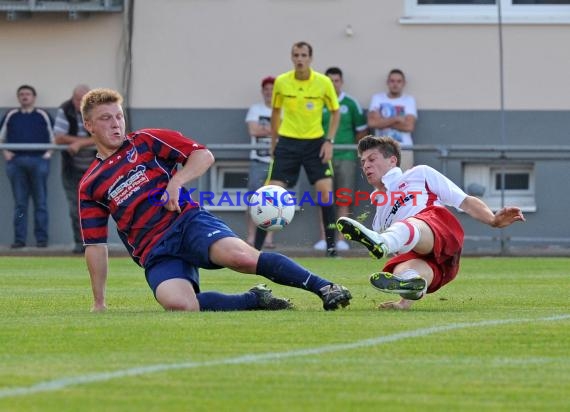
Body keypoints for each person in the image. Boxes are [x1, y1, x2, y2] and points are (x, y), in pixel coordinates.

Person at [78, 88, 352, 312]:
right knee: (180, 305)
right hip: (154, 251)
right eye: (105, 118)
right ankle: (254, 300)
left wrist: (177, 181)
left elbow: (203, 155)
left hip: (187, 223)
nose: (116, 123)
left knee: (240, 257)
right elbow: (95, 245)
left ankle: (325, 287)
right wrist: (99, 302)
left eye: (118, 116)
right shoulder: (90, 184)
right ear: (88, 125)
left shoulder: (146, 140)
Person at [336, 135, 525, 310]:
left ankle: (382, 243)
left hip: (440, 229)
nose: (366, 166)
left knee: (407, 226)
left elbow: (465, 201)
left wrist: (492, 219)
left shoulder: (419, 174)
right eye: (362, 162)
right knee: (402, 269)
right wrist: (403, 304)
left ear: (392, 160)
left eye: (372, 159)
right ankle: (411, 288)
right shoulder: (379, 216)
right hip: (438, 266)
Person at [254, 41, 340, 257]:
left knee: (325, 193)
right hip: (288, 143)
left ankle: (331, 249)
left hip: (315, 143)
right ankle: (255, 249)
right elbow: (275, 113)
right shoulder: (282, 82)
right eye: (296, 55)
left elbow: (335, 112)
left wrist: (329, 141)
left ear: (311, 58)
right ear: (292, 57)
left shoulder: (323, 82)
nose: (300, 59)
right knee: (271, 193)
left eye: (303, 55)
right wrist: (275, 143)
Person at [314, 67, 368, 252]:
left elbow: (361, 131)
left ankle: (340, 239)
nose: (333, 84)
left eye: (336, 81)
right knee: (324, 198)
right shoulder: (319, 102)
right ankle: (324, 238)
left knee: (344, 198)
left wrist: (358, 154)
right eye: (330, 81)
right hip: (322, 157)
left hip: (346, 157)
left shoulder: (351, 103)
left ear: (341, 82)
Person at [0, 85, 54, 248]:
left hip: (39, 162)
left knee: (41, 202)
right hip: (16, 163)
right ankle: (19, 240)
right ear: (18, 98)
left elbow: (55, 137)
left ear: (34, 97)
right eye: (22, 94)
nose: (25, 97)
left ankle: (42, 240)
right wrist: (6, 154)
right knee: (20, 203)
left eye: (27, 94)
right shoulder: (11, 115)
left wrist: (47, 155)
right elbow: (1, 138)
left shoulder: (43, 115)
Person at [53, 84, 96, 254]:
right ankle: (80, 244)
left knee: (96, 207)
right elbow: (58, 138)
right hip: (72, 168)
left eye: (84, 99)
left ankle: (95, 243)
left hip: (95, 168)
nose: (80, 103)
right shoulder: (65, 109)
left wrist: (79, 143)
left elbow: (105, 135)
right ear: (73, 98)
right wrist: (88, 140)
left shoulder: (97, 109)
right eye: (77, 99)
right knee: (75, 207)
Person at [245, 76, 275, 249]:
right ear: (262, 92)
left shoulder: (282, 110)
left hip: (276, 161)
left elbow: (284, 132)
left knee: (273, 201)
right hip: (258, 160)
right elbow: (253, 130)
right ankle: (251, 236)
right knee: (252, 200)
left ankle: (268, 239)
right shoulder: (255, 109)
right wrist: (273, 130)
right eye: (266, 90)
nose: (269, 93)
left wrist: (265, 130)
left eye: (272, 90)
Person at [367, 69, 417, 171]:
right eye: (392, 81)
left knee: (403, 183)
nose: (395, 84)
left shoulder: (408, 100)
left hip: (404, 149)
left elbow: (409, 126)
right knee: (382, 183)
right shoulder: (377, 98)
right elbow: (372, 123)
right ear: (387, 82)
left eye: (399, 81)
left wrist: (382, 121)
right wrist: (396, 119)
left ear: (404, 83)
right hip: (380, 150)